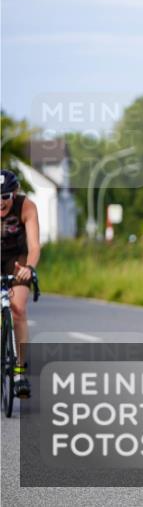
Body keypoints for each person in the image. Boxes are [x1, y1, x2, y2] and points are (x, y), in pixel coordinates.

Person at [0, 169, 41, 399]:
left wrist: (29, 268)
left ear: (14, 194)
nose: (0, 202)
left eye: (5, 196)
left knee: (18, 309)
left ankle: (18, 372)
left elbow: (34, 246)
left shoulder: (27, 207)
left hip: (17, 261)